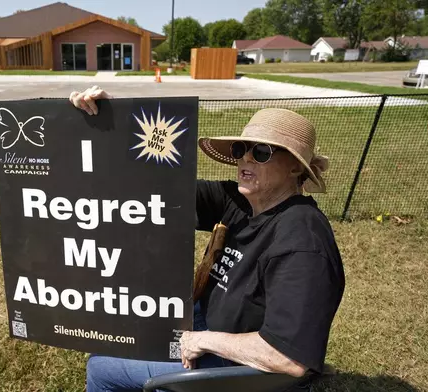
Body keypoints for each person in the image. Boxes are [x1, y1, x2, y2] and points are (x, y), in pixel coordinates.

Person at [69, 86, 345, 392]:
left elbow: (288, 358)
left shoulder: (302, 241)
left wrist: (203, 340)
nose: (245, 160)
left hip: (234, 362)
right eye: (242, 149)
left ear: (295, 167)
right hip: (201, 326)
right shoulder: (240, 202)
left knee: (101, 366)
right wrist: (113, 124)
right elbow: (155, 187)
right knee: (121, 338)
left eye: (261, 152)